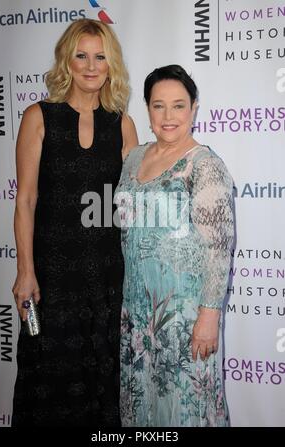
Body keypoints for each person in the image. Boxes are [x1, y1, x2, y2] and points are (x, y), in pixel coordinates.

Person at [11, 18, 138, 427]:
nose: (90, 65)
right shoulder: (38, 116)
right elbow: (26, 199)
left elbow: (134, 205)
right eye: (81, 55)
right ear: (67, 60)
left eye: (100, 57)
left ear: (110, 64)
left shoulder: (122, 124)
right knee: (49, 378)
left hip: (106, 278)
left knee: (103, 380)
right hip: (52, 276)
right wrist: (25, 271)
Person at [115, 65, 234, 427]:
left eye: (179, 106)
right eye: (158, 105)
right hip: (136, 315)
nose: (168, 117)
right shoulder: (134, 157)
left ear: (194, 108)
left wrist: (209, 318)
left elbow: (219, 248)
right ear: (148, 110)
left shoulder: (205, 165)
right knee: (141, 409)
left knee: (186, 410)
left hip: (184, 320)